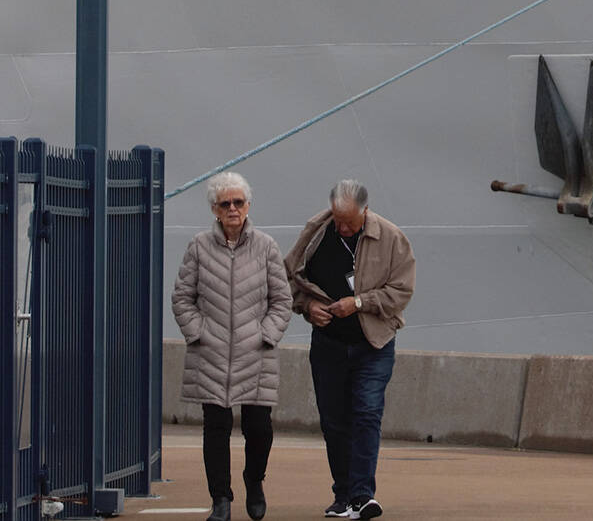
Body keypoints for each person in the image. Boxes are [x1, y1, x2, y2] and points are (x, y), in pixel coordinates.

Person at [285, 180, 416, 521]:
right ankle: (342, 494)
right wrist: (307, 305)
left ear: (365, 212)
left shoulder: (391, 238)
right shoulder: (316, 233)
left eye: (350, 223)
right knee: (334, 421)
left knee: (367, 413)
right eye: (338, 220)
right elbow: (287, 279)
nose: (342, 228)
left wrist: (359, 302)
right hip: (328, 345)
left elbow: (401, 292)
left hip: (373, 344)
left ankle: (362, 495)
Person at [171, 171, 292, 521]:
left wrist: (265, 335)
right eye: (225, 204)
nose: (233, 209)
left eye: (238, 202)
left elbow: (281, 300)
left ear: (248, 205)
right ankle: (220, 499)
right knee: (216, 428)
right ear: (215, 210)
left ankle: (254, 481)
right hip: (211, 354)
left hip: (255, 354)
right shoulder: (198, 246)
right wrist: (199, 332)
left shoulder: (266, 246)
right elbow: (182, 298)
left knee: (259, 428)